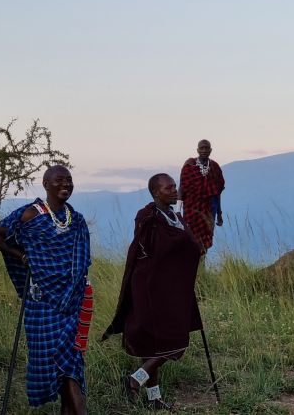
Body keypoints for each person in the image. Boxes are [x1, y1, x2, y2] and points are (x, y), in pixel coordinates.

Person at [0, 165, 92, 414]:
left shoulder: (75, 219)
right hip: (42, 303)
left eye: (69, 180)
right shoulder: (30, 214)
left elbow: (82, 261)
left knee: (71, 362)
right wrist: (21, 256)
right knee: (58, 363)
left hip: (72, 300)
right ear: (46, 184)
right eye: (59, 180)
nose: (65, 184)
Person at [103, 173, 203, 410]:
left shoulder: (174, 217)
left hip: (171, 288)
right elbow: (159, 250)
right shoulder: (148, 217)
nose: (174, 190)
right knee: (175, 341)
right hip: (150, 289)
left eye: (174, 186)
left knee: (154, 346)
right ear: (156, 192)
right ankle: (136, 378)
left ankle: (154, 399)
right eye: (169, 188)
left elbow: (183, 248)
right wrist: (188, 245)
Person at [179, 139, 225, 251]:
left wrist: (219, 213)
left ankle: (202, 266)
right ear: (197, 150)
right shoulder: (189, 166)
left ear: (211, 150)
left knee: (206, 238)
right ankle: (192, 265)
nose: (204, 150)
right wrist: (177, 211)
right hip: (191, 208)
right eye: (201, 148)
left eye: (206, 148)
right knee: (190, 237)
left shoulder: (215, 167)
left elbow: (217, 193)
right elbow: (181, 188)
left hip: (210, 208)